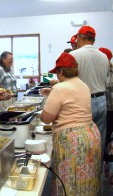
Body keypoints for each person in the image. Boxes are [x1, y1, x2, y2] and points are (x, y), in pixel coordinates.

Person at [40, 52, 101, 195]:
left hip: (73, 140)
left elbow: (47, 118)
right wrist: (52, 93)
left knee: (70, 180)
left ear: (61, 71)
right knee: (87, 178)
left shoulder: (60, 88)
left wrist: (45, 109)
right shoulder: (83, 85)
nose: (56, 76)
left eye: (56, 73)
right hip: (90, 134)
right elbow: (72, 100)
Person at [69, 25, 109, 163]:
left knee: (82, 138)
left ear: (80, 37)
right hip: (102, 99)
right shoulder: (104, 56)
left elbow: (70, 81)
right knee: (99, 138)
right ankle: (98, 171)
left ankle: (83, 170)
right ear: (93, 39)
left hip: (83, 101)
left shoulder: (74, 55)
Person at [99, 47, 113, 185]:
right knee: (105, 138)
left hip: (111, 110)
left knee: (110, 140)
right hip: (104, 110)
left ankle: (109, 168)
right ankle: (105, 165)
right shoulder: (99, 72)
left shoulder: (110, 72)